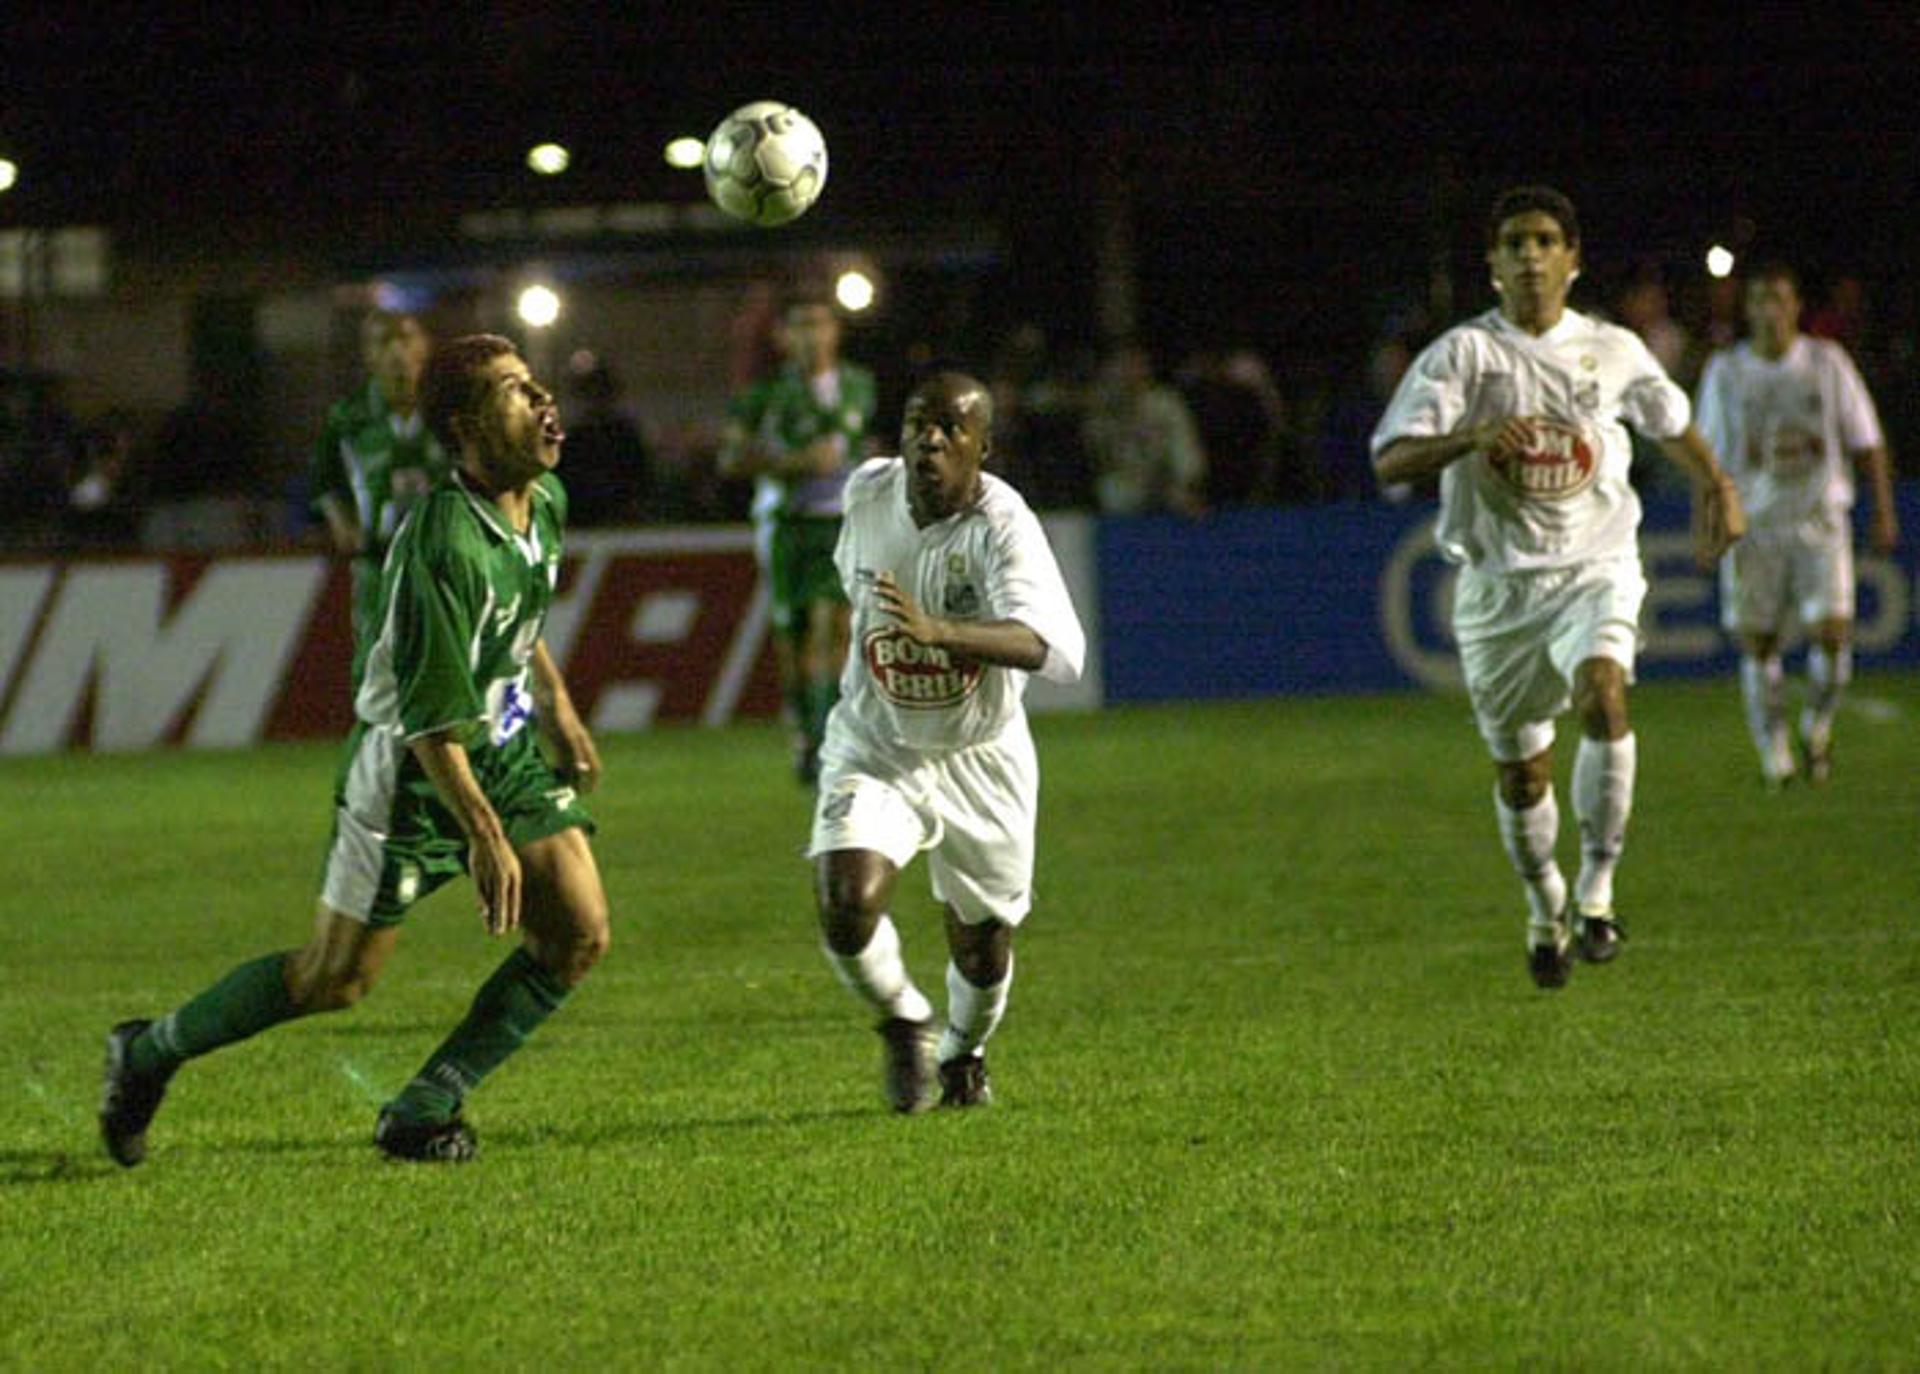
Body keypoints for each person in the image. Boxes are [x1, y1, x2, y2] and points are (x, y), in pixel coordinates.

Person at [100, 334, 610, 1165]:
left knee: (579, 933)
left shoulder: (540, 501)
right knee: (332, 981)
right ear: (465, 426)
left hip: (502, 747)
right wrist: (484, 836)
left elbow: (514, 621)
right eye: (517, 391)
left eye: (537, 384)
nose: (544, 400)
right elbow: (426, 723)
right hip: (414, 771)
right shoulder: (441, 542)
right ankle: (148, 1050)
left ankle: (423, 1107)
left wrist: (555, 705)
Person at [1371, 185, 1745, 990]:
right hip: (1500, 590)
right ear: (1494, 264)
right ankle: (1545, 904)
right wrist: (1469, 435)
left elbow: (1665, 417)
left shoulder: (1610, 348)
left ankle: (1599, 893)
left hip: (1594, 568)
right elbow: (1388, 457)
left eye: (1546, 241)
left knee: (1605, 695)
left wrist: (1719, 483)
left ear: (1572, 260)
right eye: (1515, 242)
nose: (1531, 255)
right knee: (1522, 776)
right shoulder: (1464, 357)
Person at [811, 370, 1085, 1112]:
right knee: (845, 903)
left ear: (983, 448)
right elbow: (851, 590)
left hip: (980, 754)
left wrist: (940, 632)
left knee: (983, 946)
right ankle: (905, 1019)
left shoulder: (1005, 525)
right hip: (878, 741)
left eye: (949, 429)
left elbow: (1047, 644)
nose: (927, 440)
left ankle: (964, 1052)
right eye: (915, 425)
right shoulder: (868, 495)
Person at [1693, 262, 1899, 787]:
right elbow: (1706, 457)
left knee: (1833, 635)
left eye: (1778, 299)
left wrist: (1882, 510)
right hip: (1753, 525)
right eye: (1759, 299)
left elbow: (1867, 442)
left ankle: (1817, 723)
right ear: (1748, 309)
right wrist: (1708, 522)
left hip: (1819, 521)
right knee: (1758, 643)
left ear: (1795, 307)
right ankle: (1774, 751)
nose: (1769, 310)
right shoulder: (1727, 371)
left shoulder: (1826, 363)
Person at [720, 295, 877, 784]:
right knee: (800, 634)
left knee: (841, 628)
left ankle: (832, 735)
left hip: (844, 520)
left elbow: (853, 443)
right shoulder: (763, 396)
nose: (812, 336)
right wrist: (791, 465)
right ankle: (805, 732)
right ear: (784, 337)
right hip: (789, 521)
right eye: (800, 326)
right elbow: (729, 459)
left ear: (836, 331)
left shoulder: (858, 384)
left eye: (819, 324)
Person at [310, 310, 449, 662]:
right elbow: (322, 479)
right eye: (383, 342)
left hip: (444, 564)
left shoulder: (447, 411)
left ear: (424, 346)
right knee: (379, 675)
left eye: (404, 338)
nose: (396, 352)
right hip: (378, 564)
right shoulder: (349, 417)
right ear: (369, 354)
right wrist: (341, 523)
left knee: (447, 670)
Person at [1082, 343, 1208, 516]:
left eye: (1137, 364)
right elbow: (1096, 452)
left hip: (1166, 482)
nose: (1131, 371)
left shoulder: (1166, 402)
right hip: (1125, 483)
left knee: (1183, 501)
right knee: (1112, 494)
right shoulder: (1104, 405)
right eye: (1124, 365)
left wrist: (1186, 484)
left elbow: (1185, 447)